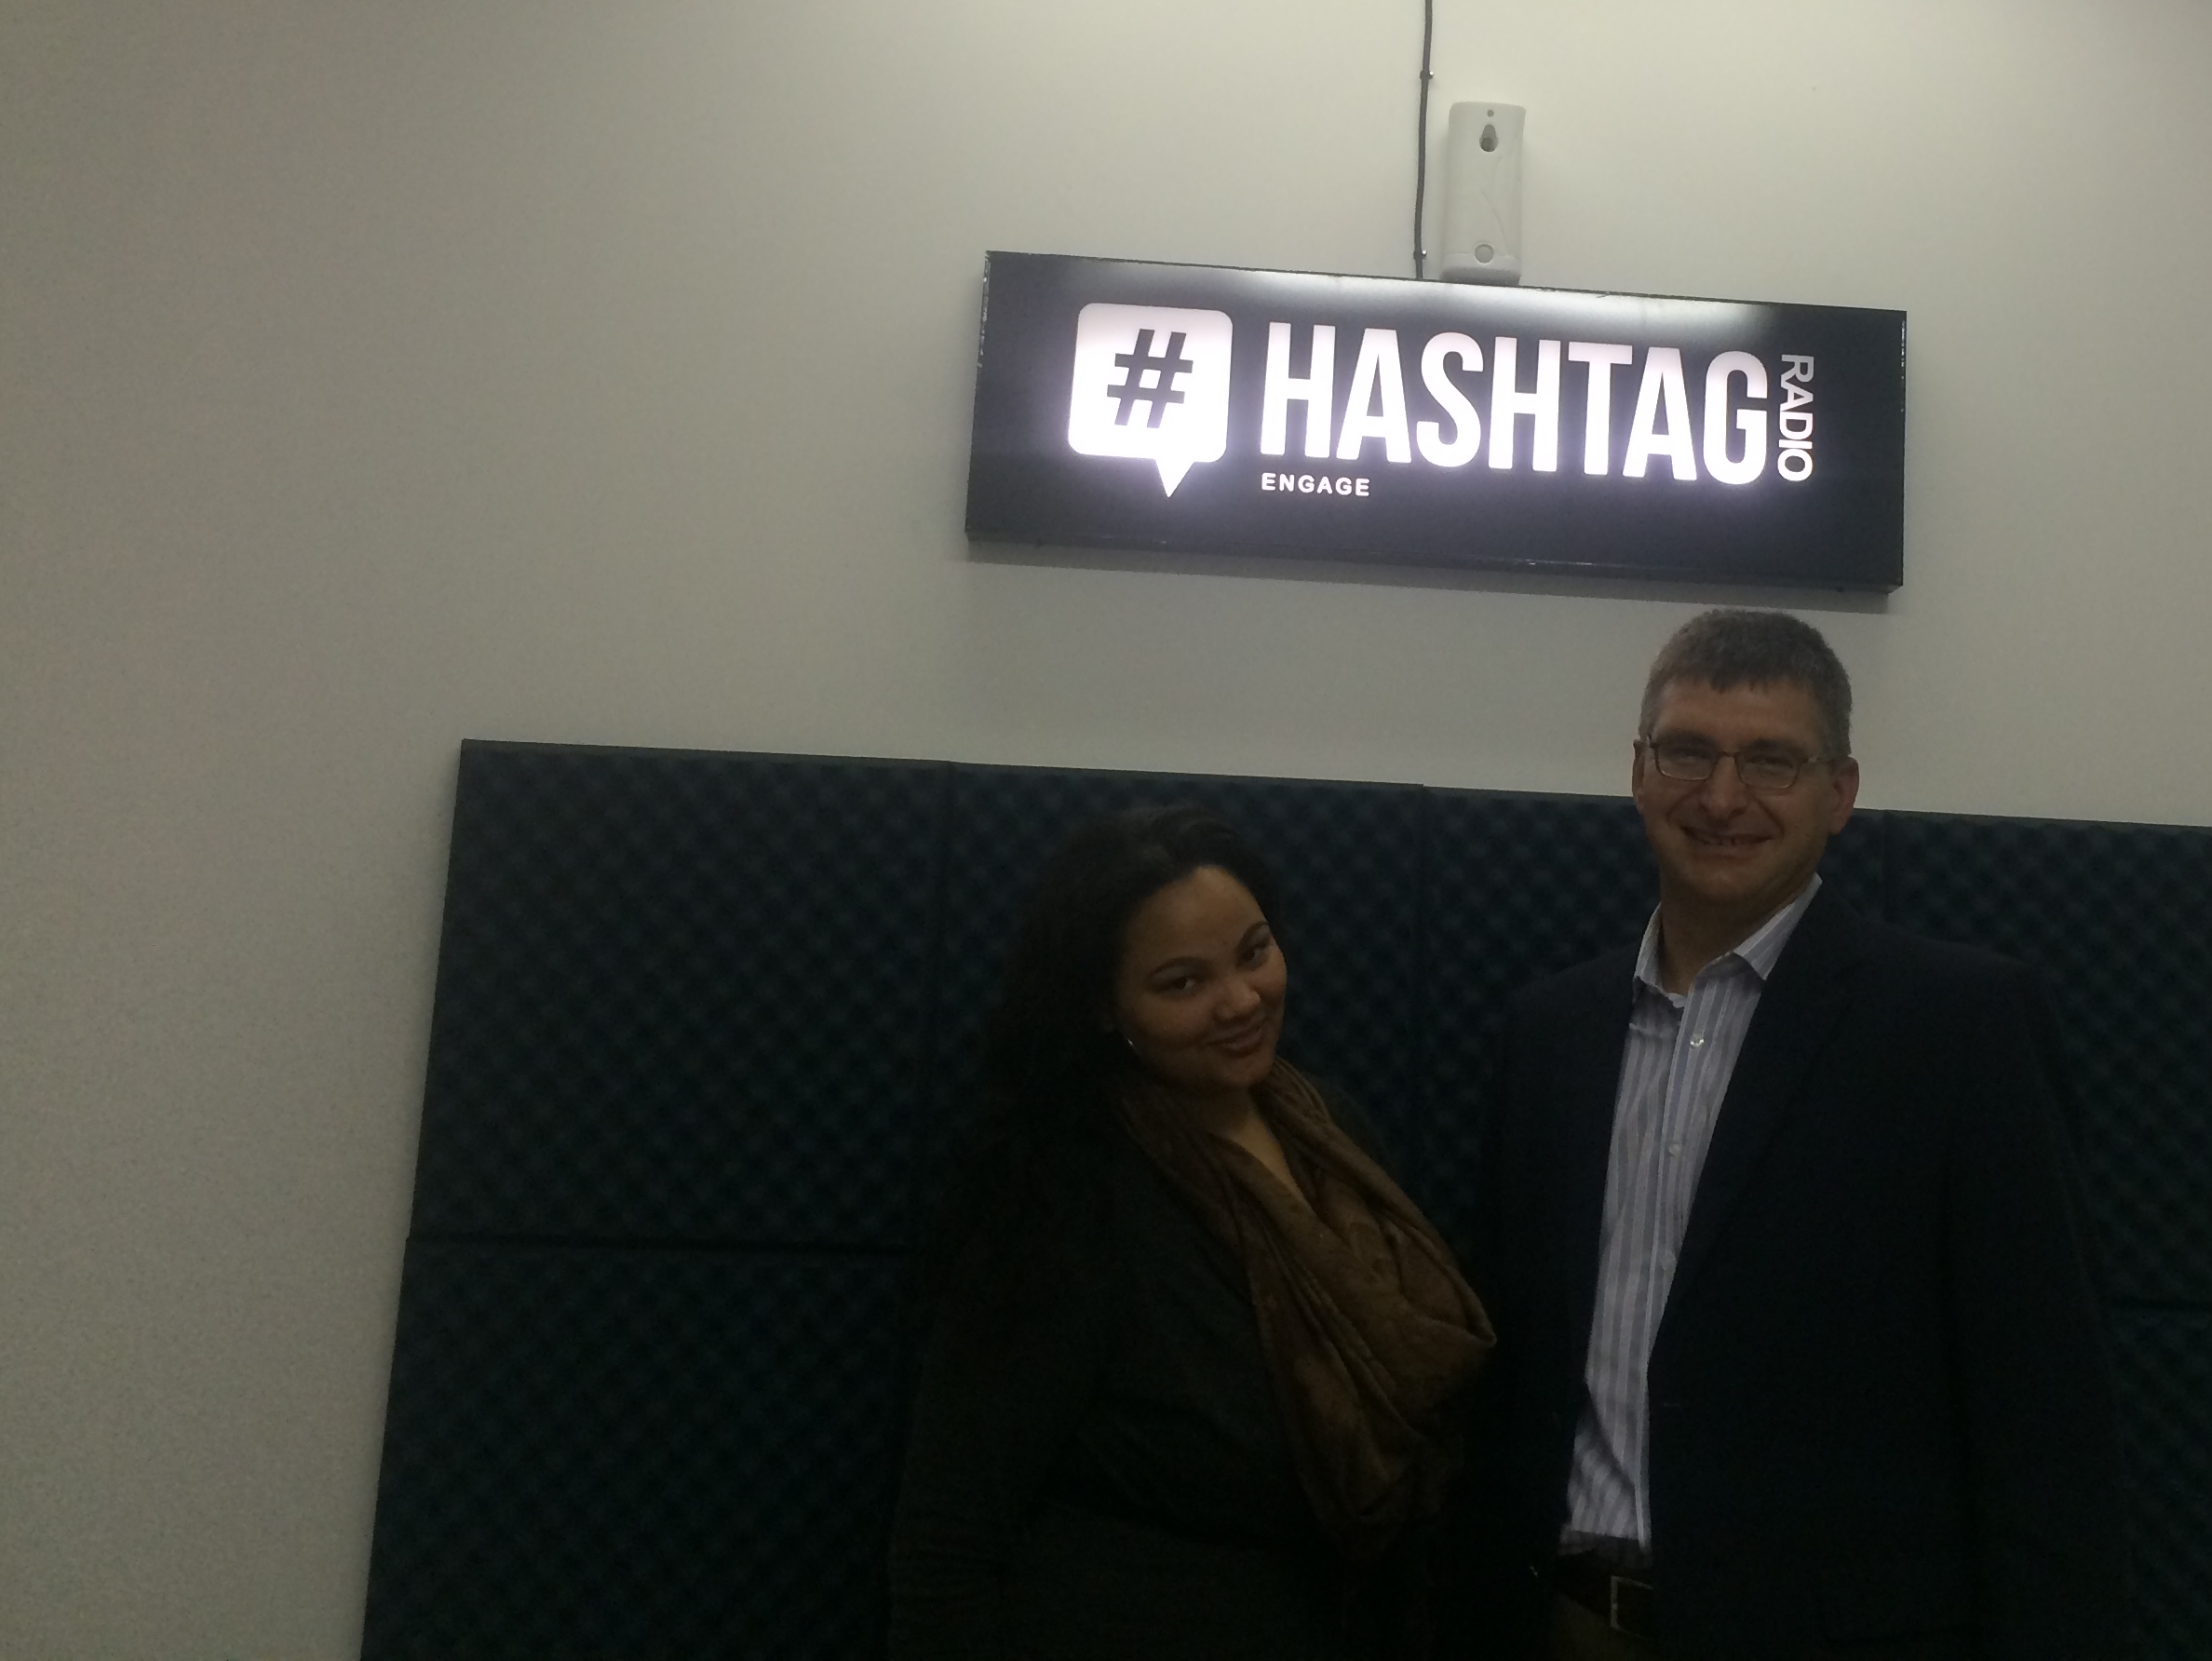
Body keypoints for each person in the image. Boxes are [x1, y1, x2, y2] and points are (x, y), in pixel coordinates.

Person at [1459, 610, 2130, 1660]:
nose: (1722, 797)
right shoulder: (1548, 1033)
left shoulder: (1961, 1029)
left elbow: (2045, 1410)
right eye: (1688, 752)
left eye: (1771, 761)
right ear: (1637, 772)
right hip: (1565, 1624)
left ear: (1840, 793)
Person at [890, 803, 1493, 1660]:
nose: (1241, 1001)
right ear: (1104, 1007)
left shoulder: (1330, 1130)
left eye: (1254, 952)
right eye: (1182, 983)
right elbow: (949, 1533)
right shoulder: (1065, 1195)